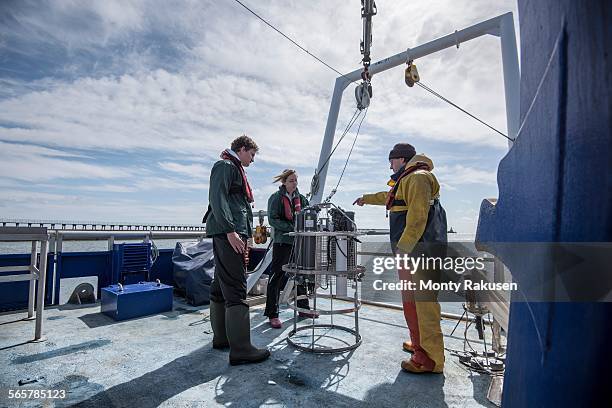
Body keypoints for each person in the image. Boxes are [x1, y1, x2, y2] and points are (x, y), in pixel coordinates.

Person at [353, 143, 447, 374]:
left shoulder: (417, 178)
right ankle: (418, 345)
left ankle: (430, 359)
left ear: (403, 159)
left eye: (392, 160)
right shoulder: (407, 180)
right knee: (411, 301)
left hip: (419, 252)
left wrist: (404, 250)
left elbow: (417, 218)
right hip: (412, 251)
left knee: (423, 305)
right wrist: (366, 198)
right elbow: (389, 197)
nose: (390, 165)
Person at [203, 134, 270, 365]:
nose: (252, 160)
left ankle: (221, 339)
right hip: (228, 233)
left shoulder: (232, 168)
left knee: (220, 286)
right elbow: (217, 198)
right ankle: (241, 349)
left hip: (228, 232)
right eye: (251, 155)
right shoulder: (225, 166)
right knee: (236, 287)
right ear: (242, 149)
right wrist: (231, 230)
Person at [264, 169, 316, 328]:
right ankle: (272, 314)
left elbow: (308, 215)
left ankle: (303, 308)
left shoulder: (302, 199)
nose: (295, 183)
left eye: (296, 180)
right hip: (282, 242)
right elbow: (273, 219)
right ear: (284, 182)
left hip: (299, 242)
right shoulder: (276, 198)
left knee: (301, 273)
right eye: (291, 180)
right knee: (277, 276)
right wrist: (292, 227)